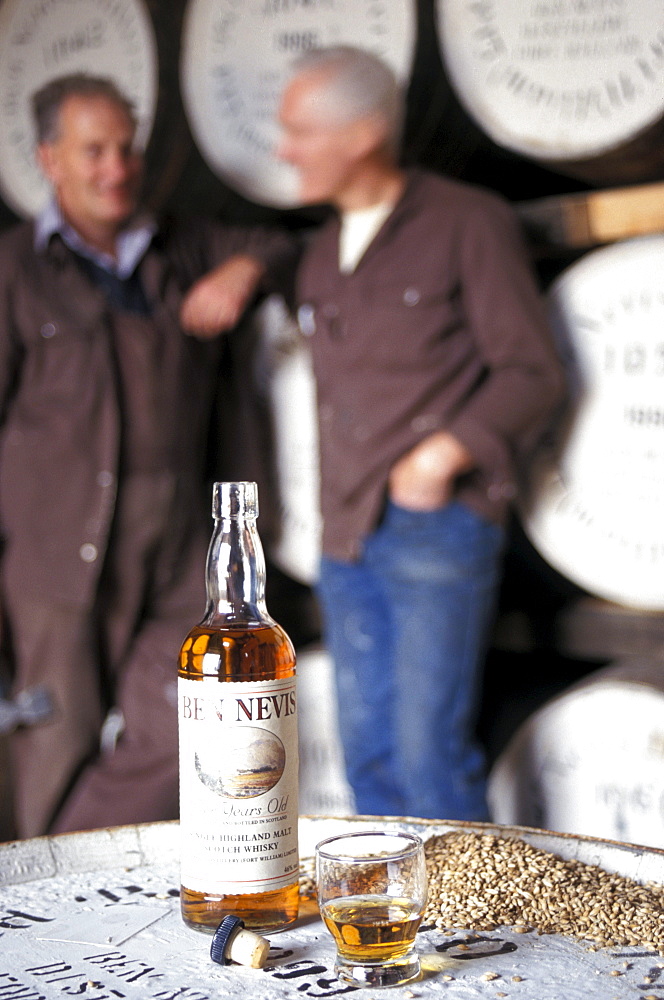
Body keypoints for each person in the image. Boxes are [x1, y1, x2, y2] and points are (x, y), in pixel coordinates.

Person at [0, 73, 295, 838]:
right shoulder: (13, 273)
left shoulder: (186, 244)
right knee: (49, 748)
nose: (116, 168)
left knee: (183, 737)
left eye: (126, 148)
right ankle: (42, 926)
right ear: (49, 159)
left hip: (179, 554)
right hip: (57, 557)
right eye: (93, 150)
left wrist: (243, 270)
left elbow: (288, 243)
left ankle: (68, 863)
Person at [277, 46, 566, 821]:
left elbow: (533, 371)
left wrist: (443, 456)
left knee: (429, 756)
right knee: (369, 755)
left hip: (434, 529)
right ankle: (394, 936)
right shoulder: (314, 255)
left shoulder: (467, 222)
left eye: (300, 130)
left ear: (364, 132)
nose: (284, 149)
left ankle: (472, 934)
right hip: (345, 538)